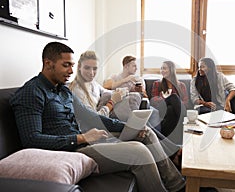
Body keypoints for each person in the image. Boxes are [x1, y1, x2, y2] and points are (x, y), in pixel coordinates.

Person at [10, 42, 185, 192]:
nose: (72, 71)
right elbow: (31, 140)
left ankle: (178, 185)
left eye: (72, 65)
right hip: (70, 151)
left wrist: (128, 127)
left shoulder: (63, 90)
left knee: (145, 132)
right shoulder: (32, 93)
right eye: (66, 65)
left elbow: (92, 117)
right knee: (138, 152)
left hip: (85, 141)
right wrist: (80, 138)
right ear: (48, 64)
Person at [69, 51, 141, 122]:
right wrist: (112, 102)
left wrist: (121, 91)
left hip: (105, 119)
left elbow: (107, 92)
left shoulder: (93, 83)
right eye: (87, 68)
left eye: (95, 69)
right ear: (79, 67)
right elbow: (93, 120)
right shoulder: (77, 91)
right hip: (93, 126)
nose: (91, 73)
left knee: (135, 96)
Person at [150, 61, 188, 144]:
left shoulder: (181, 85)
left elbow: (185, 101)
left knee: (171, 109)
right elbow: (153, 100)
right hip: (162, 109)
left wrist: (175, 103)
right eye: (161, 68)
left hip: (172, 114)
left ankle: (175, 147)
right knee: (174, 97)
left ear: (171, 70)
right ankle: (184, 118)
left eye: (164, 68)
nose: (162, 70)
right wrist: (165, 98)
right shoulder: (157, 84)